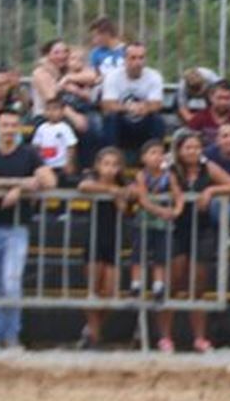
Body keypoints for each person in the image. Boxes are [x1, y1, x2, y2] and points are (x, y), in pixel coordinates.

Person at [0, 111, 57, 347]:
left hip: (17, 228)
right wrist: (22, 184)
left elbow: (50, 181)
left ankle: (11, 335)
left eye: (13, 125)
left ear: (19, 128)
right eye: (4, 125)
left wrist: (19, 189)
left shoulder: (29, 154)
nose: (9, 130)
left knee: (10, 284)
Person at [162, 131, 230, 353]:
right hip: (176, 229)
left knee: (198, 285)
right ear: (179, 150)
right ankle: (165, 336)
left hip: (203, 230)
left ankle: (199, 337)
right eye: (188, 148)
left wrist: (212, 190)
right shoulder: (170, 170)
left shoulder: (207, 167)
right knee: (173, 282)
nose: (193, 152)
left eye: (197, 148)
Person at [76, 147, 134, 349]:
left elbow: (125, 208)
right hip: (94, 238)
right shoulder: (91, 179)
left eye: (114, 165)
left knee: (110, 293)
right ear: (98, 166)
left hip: (114, 239)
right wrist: (109, 190)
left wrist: (118, 194)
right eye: (106, 164)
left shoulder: (123, 184)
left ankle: (91, 329)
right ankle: (95, 336)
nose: (110, 169)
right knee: (93, 290)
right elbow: (84, 187)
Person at [130, 139, 176, 312]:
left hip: (162, 224)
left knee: (160, 256)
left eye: (160, 153)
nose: (158, 156)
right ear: (143, 158)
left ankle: (158, 285)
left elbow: (178, 195)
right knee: (138, 255)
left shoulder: (169, 176)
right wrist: (161, 211)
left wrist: (176, 211)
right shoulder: (141, 175)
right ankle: (136, 284)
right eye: (153, 153)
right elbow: (143, 199)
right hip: (143, 221)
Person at [100, 41, 166, 152]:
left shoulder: (154, 76)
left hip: (143, 123)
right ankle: (112, 157)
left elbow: (157, 104)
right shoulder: (113, 76)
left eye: (141, 58)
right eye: (133, 58)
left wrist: (144, 108)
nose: (138, 62)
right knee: (110, 119)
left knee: (157, 120)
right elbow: (107, 104)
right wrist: (128, 108)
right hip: (122, 125)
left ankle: (154, 157)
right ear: (125, 60)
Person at [184, 80, 230, 149]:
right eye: (220, 98)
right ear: (211, 97)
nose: (223, 102)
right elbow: (186, 142)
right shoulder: (199, 118)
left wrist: (229, 146)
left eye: (227, 98)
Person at [31, 94, 79, 183]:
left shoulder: (65, 128)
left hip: (61, 165)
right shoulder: (41, 128)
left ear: (61, 111)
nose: (51, 112)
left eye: (55, 109)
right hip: (45, 166)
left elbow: (71, 146)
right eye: (48, 109)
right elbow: (36, 146)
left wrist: (69, 163)